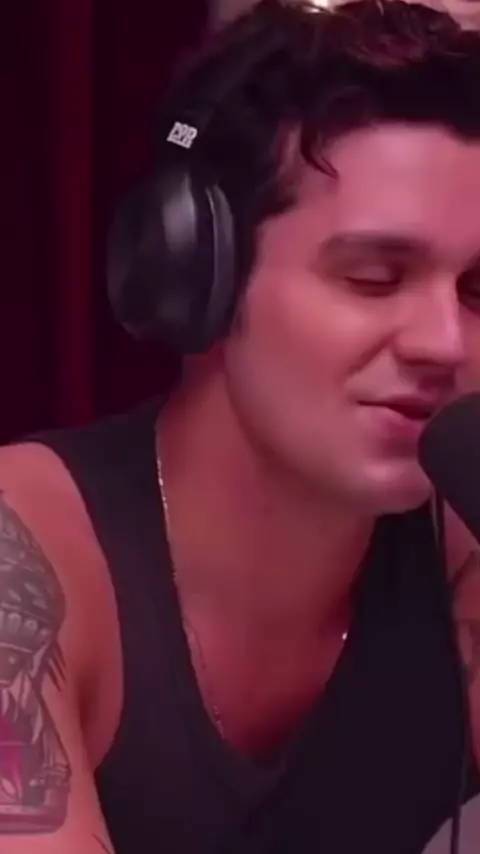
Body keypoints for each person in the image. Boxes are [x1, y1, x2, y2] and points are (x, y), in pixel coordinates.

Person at [2, 0, 480, 851]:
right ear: (198, 275)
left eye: (479, 293)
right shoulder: (21, 562)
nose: (447, 343)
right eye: (374, 278)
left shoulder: (462, 544)